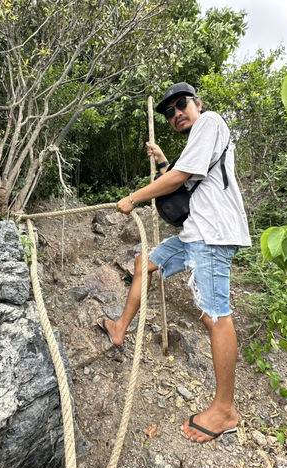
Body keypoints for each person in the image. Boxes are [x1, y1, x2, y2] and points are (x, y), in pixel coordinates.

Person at [96, 82, 252, 443]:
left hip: (212, 235)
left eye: (181, 104)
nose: (176, 113)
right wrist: (164, 160)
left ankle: (225, 411)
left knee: (216, 315)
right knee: (143, 264)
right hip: (194, 234)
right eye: (168, 112)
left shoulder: (210, 122)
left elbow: (179, 179)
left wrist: (133, 198)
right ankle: (120, 327)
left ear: (197, 104)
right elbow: (185, 179)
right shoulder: (197, 139)